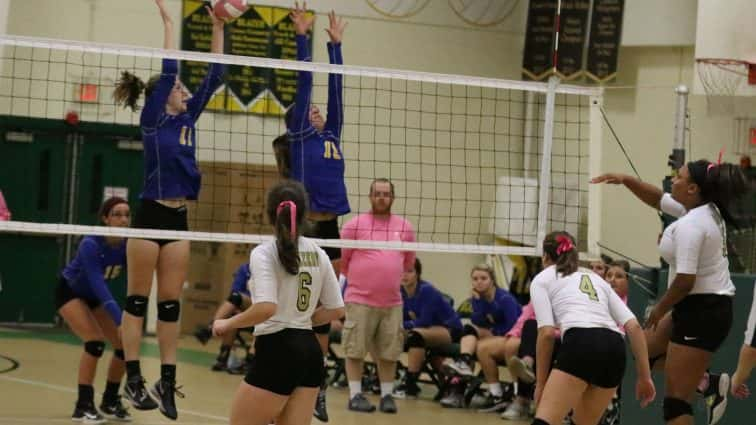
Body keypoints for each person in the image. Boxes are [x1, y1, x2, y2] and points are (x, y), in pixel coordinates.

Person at [112, 0, 226, 419]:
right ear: (165, 95)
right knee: (137, 303)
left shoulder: (187, 122)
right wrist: (168, 23)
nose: (186, 92)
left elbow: (216, 74)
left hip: (179, 218)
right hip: (149, 216)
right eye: (180, 89)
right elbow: (170, 67)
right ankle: (134, 378)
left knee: (170, 306)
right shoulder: (153, 121)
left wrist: (218, 25)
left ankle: (167, 380)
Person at [592, 158, 748, 425]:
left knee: (675, 404)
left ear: (693, 189)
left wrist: (659, 309)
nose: (673, 179)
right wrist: (628, 180)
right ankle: (705, 381)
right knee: (643, 350)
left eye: (680, 176)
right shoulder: (701, 209)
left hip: (703, 311)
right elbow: (657, 199)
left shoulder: (692, 224)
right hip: (695, 307)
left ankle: (700, 381)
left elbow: (686, 280)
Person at [212, 180, 345, 425]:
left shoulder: (263, 253)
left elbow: (266, 308)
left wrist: (228, 323)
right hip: (310, 352)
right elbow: (337, 309)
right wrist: (304, 320)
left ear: (270, 214)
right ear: (305, 215)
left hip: (278, 349)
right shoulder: (319, 252)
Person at [281, 7, 349, 420]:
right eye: (308, 110)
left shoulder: (331, 133)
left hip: (332, 228)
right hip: (305, 228)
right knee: (297, 310)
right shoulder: (300, 135)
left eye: (315, 110)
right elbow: (306, 83)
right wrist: (302, 40)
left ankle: (318, 385)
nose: (316, 111)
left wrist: (336, 46)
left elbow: (335, 89)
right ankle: (289, 378)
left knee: (325, 312)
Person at [529, 231, 656, 425]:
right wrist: (645, 377)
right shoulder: (595, 278)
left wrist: (540, 384)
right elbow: (634, 327)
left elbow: (546, 334)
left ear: (545, 257)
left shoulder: (542, 279)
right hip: (615, 349)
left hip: (581, 342)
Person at [340, 178, 416, 413]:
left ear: (393, 197)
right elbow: (343, 262)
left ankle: (387, 396)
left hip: (392, 302)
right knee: (355, 350)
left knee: (389, 353)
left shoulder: (405, 227)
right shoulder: (354, 225)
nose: (381, 197)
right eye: (377, 193)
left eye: (386, 194)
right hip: (359, 299)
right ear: (370, 196)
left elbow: (408, 263)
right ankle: (355, 395)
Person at [55, 197, 132, 423]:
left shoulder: (129, 244)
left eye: (127, 214)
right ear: (105, 219)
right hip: (70, 292)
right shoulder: (91, 243)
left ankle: (109, 400)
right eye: (117, 214)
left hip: (94, 297)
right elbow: (99, 285)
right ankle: (83, 405)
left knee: (124, 344)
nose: (123, 219)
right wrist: (120, 320)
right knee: (95, 342)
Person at [441, 263, 521, 410]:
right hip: (495, 336)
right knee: (469, 331)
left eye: (483, 278)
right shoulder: (478, 298)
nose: (479, 281)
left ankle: (467, 384)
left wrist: (493, 333)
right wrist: (477, 302)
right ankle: (464, 363)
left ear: (492, 280)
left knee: (479, 345)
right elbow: (477, 321)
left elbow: (514, 326)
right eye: (475, 278)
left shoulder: (505, 299)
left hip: (513, 337)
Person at [393, 258, 463, 399]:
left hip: (450, 329)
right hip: (427, 330)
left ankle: (410, 384)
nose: (404, 275)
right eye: (401, 271)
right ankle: (387, 375)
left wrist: (402, 326)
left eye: (409, 271)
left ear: (417, 274)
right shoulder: (400, 292)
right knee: (387, 334)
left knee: (415, 336)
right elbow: (400, 318)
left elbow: (424, 321)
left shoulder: (427, 290)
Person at [194, 262, 254, 373]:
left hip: (260, 308)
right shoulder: (245, 269)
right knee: (233, 314)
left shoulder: (268, 269)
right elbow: (235, 290)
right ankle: (223, 358)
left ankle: (210, 329)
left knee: (236, 298)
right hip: (243, 308)